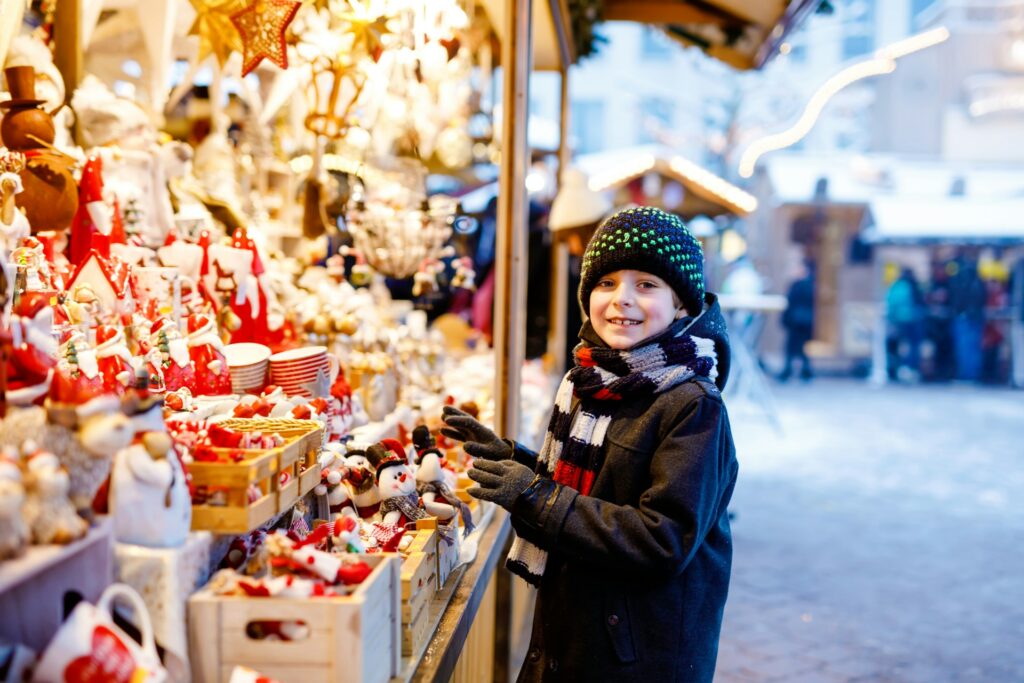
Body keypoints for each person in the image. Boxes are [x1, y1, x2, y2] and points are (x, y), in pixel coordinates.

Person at [442, 207, 737, 682]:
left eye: (646, 284)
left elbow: (664, 539)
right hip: (575, 633)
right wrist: (514, 459)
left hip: (637, 658)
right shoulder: (593, 378)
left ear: (681, 304)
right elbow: (592, 487)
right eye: (606, 283)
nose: (622, 300)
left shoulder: (693, 405)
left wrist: (535, 495)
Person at [885, 267, 925, 382]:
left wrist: (892, 317)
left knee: (899, 345)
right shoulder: (912, 285)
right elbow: (919, 301)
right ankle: (910, 367)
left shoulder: (896, 286)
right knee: (913, 345)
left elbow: (890, 302)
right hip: (912, 319)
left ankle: (899, 368)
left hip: (898, 320)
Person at [778, 261, 815, 382]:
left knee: (795, 347)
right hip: (801, 321)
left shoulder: (801, 285)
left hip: (799, 321)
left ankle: (792, 371)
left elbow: (791, 302)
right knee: (799, 348)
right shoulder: (807, 284)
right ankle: (804, 372)